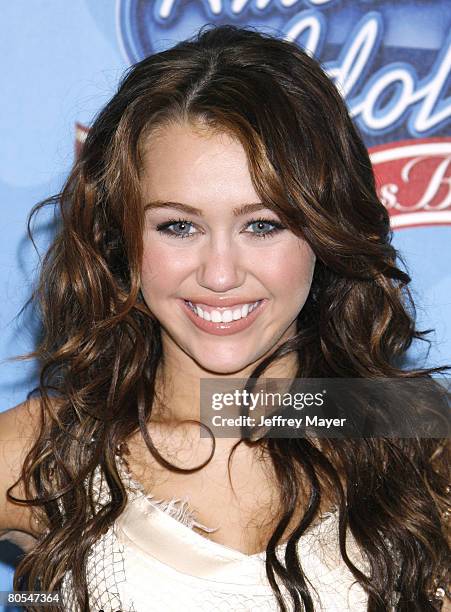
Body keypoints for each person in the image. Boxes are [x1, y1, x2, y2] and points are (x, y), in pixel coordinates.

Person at [0, 23, 449, 612]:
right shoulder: (49, 447)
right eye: (178, 226)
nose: (219, 274)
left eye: (261, 225)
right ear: (121, 238)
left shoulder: (414, 438)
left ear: (325, 231)